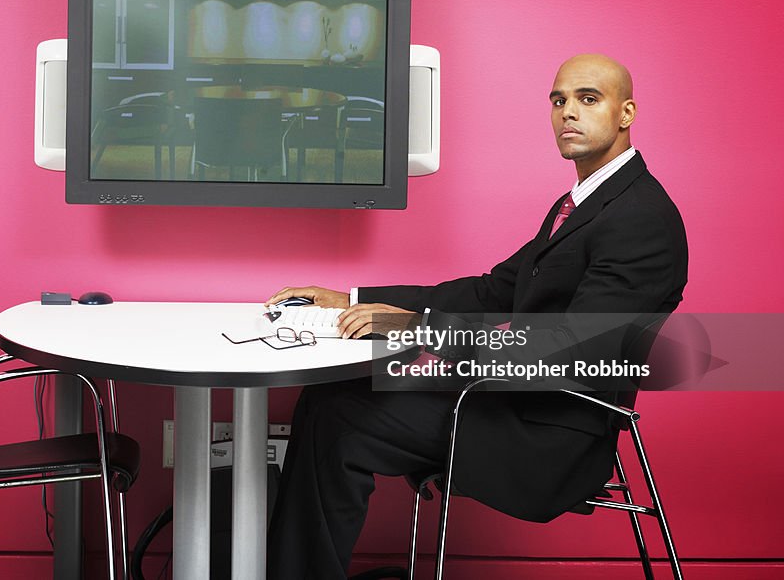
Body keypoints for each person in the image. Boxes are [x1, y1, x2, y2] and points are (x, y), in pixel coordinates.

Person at [264, 54, 688, 579]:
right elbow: (492, 291)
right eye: (558, 101)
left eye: (588, 98)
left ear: (626, 113)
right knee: (332, 399)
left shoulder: (639, 218)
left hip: (553, 433)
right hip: (514, 405)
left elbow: (572, 347)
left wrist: (413, 328)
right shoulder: (584, 205)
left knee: (338, 415)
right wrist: (352, 297)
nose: (567, 113)